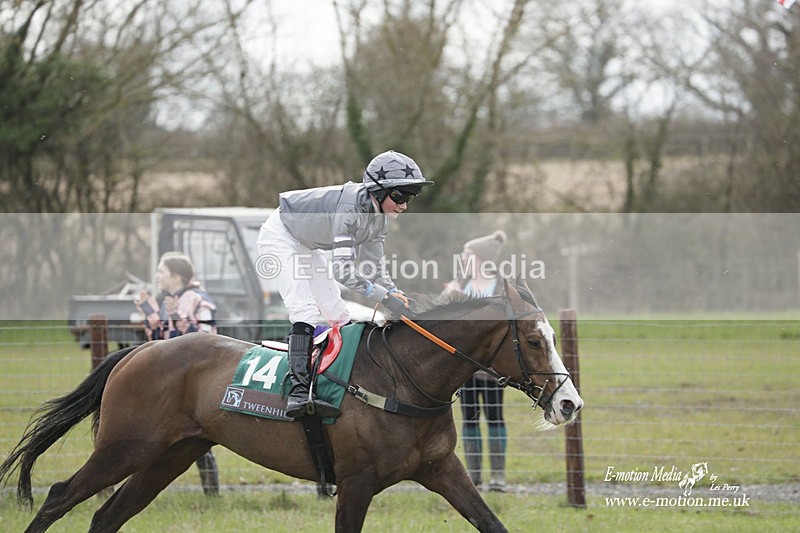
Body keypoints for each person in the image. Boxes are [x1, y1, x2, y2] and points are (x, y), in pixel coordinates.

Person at [256, 150, 433, 419]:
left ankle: (335, 384)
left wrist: (395, 292)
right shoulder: (350, 209)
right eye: (399, 196)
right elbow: (342, 271)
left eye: (409, 197)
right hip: (281, 235)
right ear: (377, 190)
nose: (404, 205)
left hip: (307, 243)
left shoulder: (379, 219)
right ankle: (299, 393)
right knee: (304, 310)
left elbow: (374, 267)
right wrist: (383, 296)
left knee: (339, 314)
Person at [133, 251, 220, 496]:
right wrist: (150, 312)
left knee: (197, 435)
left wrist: (175, 316)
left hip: (195, 379)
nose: (157, 276)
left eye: (161, 271)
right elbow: (159, 341)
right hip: (170, 377)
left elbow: (205, 338)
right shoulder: (166, 301)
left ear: (176, 275)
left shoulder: (200, 300)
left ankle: (212, 493)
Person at [442, 230, 508, 492]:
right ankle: (476, 477)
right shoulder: (462, 284)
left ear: (481, 259)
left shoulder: (500, 288)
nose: (464, 259)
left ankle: (498, 478)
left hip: (491, 369)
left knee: (494, 417)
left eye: (468, 256)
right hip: (465, 369)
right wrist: (449, 296)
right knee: (469, 419)